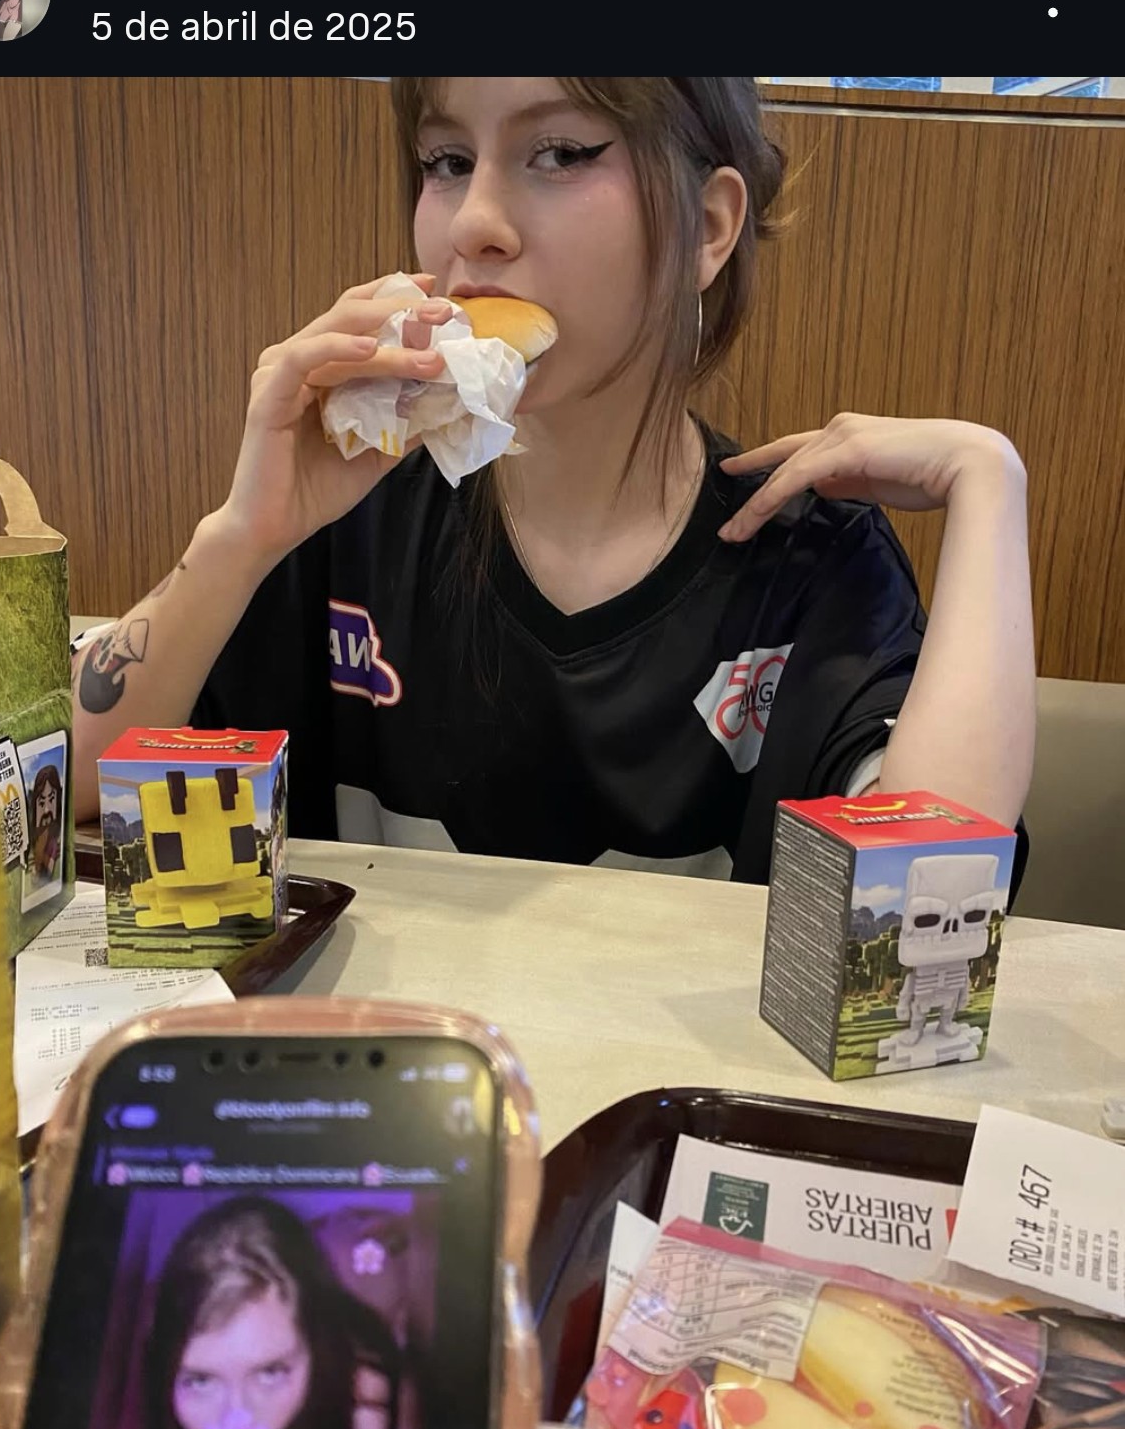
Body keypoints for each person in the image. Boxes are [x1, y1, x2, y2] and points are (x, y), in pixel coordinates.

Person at [69, 77, 1034, 886]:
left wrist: (988, 483)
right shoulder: (349, 518)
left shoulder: (811, 562)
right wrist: (243, 536)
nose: (474, 224)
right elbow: (71, 785)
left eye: (562, 153)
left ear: (706, 227)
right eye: (446, 160)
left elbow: (929, 892)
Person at [141, 1196, 404, 1429]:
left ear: (319, 1358)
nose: (237, 1417)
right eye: (201, 1381)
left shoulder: (359, 1397)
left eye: (270, 1373)